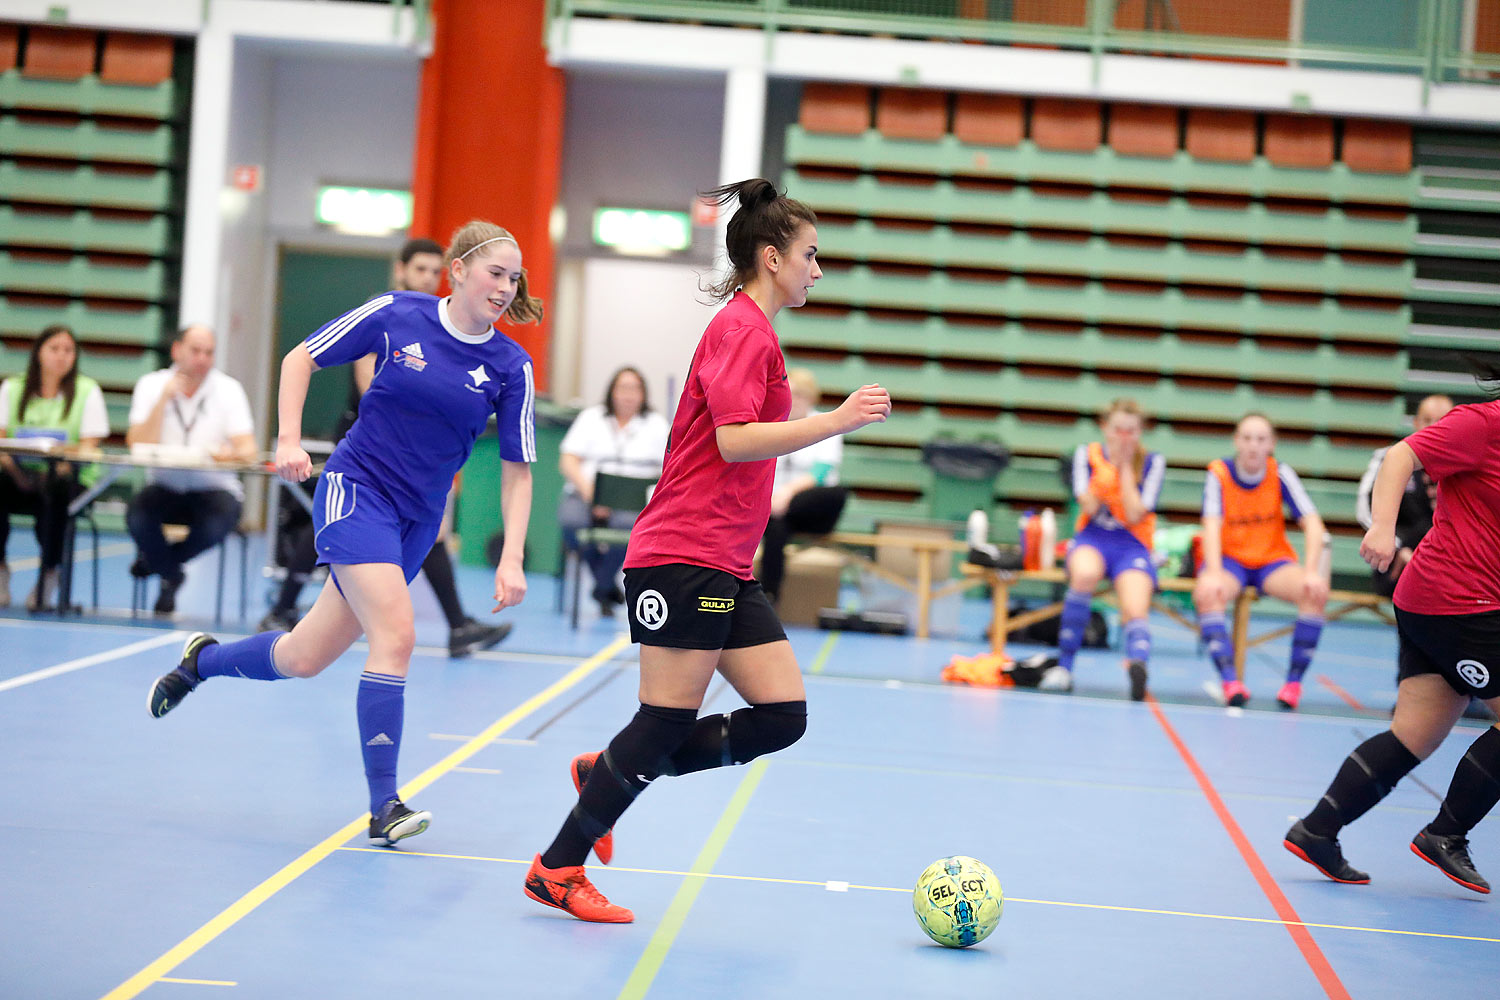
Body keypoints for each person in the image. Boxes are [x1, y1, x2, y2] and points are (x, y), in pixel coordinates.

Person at [524, 178, 890, 922]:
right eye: (810, 255)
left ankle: (612, 771)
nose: (818, 269)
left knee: (782, 714)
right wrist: (834, 422)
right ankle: (556, 868)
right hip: (682, 553)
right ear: (771, 257)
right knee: (662, 717)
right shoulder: (740, 331)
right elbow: (732, 440)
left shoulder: (761, 332)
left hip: (725, 559)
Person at [146, 220, 539, 847]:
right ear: (457, 269)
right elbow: (300, 357)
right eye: (496, 272)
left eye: (514, 277)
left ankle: (203, 660)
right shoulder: (397, 314)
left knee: (304, 657)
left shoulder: (510, 366)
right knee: (399, 635)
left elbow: (519, 470)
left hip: (416, 520)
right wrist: (287, 439)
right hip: (357, 490)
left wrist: (511, 556)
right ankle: (384, 805)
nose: (506, 286)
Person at [1284, 380, 1500, 895]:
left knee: (1414, 733)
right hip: (1456, 599)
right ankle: (1445, 834)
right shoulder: (1484, 423)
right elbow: (1402, 454)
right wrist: (1382, 526)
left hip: (1442, 600)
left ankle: (1318, 830)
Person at [260, 237, 511, 658]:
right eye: (421, 270)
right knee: (324, 528)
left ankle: (457, 624)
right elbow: (366, 381)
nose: (428, 279)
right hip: (366, 445)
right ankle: (285, 606)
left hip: (414, 466)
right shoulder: (392, 312)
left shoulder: (454, 330)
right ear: (401, 270)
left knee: (422, 537)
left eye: (435, 271)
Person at [1192, 413, 1328, 710]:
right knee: (1208, 593)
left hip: (1271, 561)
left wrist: (1311, 572)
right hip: (1230, 561)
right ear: (1236, 441)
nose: (1254, 445)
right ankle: (1231, 683)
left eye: (1261, 439)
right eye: (1247, 438)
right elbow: (1211, 525)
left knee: (1314, 594)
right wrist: (1213, 573)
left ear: (1272, 443)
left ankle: (1293, 684)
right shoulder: (1219, 473)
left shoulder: (1279, 473)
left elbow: (1314, 524)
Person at [125, 324, 257, 614]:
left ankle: (158, 563)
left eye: (209, 353)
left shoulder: (228, 389)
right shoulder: (151, 384)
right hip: (165, 486)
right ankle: (172, 573)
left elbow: (249, 450)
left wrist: (231, 454)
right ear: (177, 350)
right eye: (195, 351)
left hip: (214, 488)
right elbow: (136, 443)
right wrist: (163, 400)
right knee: (137, 516)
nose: (202, 359)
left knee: (215, 526)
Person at [1040, 398, 1164, 701]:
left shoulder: (1151, 462)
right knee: (1083, 575)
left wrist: (1123, 471)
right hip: (1093, 538)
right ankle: (1065, 667)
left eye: (1131, 431)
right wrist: (1105, 473)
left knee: (1135, 604)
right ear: (1105, 428)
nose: (1124, 437)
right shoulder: (1087, 455)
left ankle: (1138, 665)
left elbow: (1136, 514)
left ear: (1139, 433)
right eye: (1118, 430)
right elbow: (1089, 505)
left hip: (1132, 543)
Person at [0, 324, 108, 610]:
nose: (62, 356)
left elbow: (89, 446)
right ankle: (0, 570)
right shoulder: (13, 388)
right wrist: (17, 473)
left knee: (56, 495)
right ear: (39, 353)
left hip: (66, 478)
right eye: (54, 349)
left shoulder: (87, 391)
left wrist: (62, 461)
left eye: (68, 350)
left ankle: (49, 573)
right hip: (18, 474)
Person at [558, 365, 669, 616]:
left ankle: (601, 586)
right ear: (612, 391)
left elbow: (668, 468)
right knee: (571, 521)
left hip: (632, 500)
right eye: (623, 387)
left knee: (631, 529)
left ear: (643, 394)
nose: (628, 394)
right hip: (587, 492)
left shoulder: (656, 424)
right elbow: (568, 460)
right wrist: (592, 495)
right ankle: (606, 585)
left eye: (634, 388)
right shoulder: (591, 418)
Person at [758, 366, 848, 603]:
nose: (794, 400)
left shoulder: (826, 424)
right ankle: (769, 595)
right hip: (773, 510)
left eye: (800, 395)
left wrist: (787, 494)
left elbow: (819, 473)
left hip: (809, 507)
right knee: (777, 527)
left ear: (810, 397)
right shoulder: (772, 424)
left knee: (837, 493)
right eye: (790, 393)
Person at [1356, 394, 1453, 598]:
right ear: (1416, 423)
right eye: (1427, 420)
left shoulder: (1463, 466)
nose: (1434, 426)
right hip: (1396, 558)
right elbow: (1365, 508)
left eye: (1442, 420)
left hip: (1449, 560)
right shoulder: (1390, 457)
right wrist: (1395, 545)